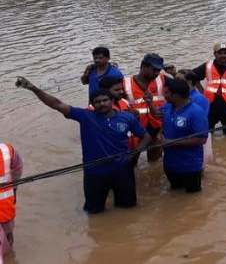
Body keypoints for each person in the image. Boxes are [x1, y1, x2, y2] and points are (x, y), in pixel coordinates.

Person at [15, 77, 151, 213]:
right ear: (92, 105)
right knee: (94, 212)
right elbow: (56, 104)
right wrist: (33, 88)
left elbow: (146, 137)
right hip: (94, 173)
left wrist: (134, 154)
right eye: (97, 102)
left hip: (123, 171)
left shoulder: (127, 118)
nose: (101, 104)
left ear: (112, 101)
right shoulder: (85, 116)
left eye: (105, 100)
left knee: (128, 209)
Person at [160, 78, 208, 193]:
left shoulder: (196, 112)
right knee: (175, 194)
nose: (164, 95)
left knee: (193, 198)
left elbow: (201, 139)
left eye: (166, 93)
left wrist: (171, 142)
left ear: (176, 95)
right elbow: (157, 115)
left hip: (190, 166)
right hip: (170, 164)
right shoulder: (167, 107)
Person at [122, 53, 166, 162]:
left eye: (159, 70)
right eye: (154, 69)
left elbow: (179, 92)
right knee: (132, 160)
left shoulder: (162, 79)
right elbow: (114, 103)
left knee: (155, 161)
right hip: (135, 129)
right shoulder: (125, 83)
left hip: (156, 127)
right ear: (143, 66)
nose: (157, 73)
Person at [0, 143, 22, 261]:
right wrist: (14, 189)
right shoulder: (7, 150)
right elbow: (18, 168)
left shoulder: (7, 150)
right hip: (7, 209)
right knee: (8, 247)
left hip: (6, 209)